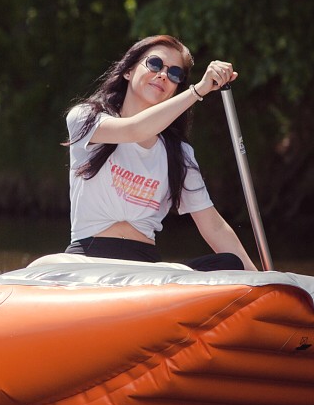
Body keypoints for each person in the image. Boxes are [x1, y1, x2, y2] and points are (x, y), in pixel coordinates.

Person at [63, 34, 255, 270]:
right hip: (89, 258)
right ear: (128, 71)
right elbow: (134, 130)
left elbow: (213, 226)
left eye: (175, 74)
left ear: (175, 90)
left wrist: (261, 282)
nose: (163, 74)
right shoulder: (86, 118)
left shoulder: (179, 153)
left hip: (145, 268)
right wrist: (199, 90)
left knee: (229, 263)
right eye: (154, 64)